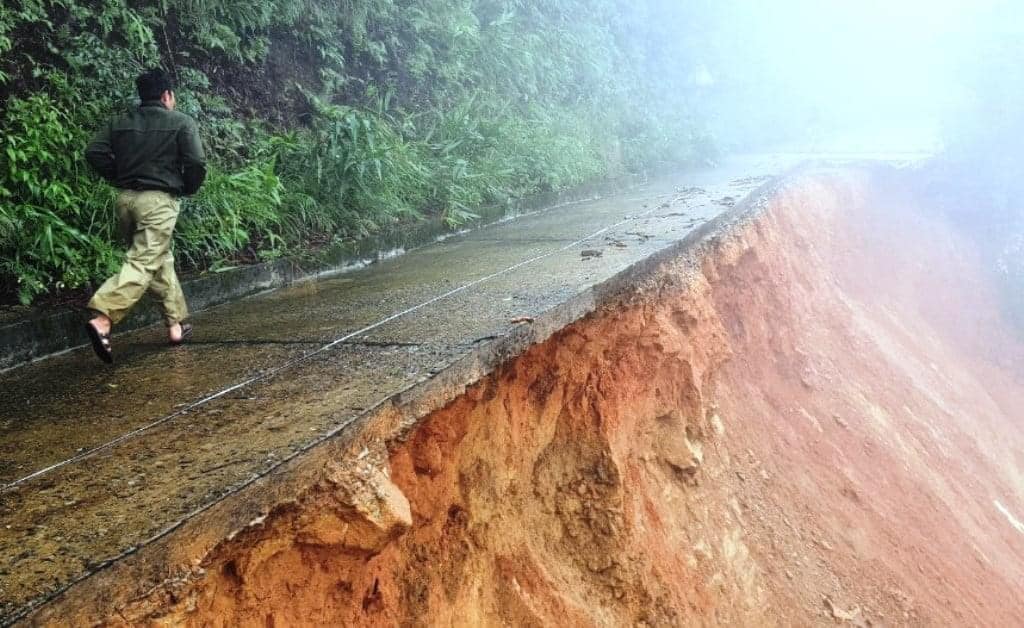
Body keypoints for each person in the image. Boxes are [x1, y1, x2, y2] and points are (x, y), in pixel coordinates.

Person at [83, 68, 206, 363]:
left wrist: (118, 177)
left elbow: (94, 151)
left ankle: (176, 325)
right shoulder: (180, 122)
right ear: (167, 95)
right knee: (143, 261)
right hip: (158, 201)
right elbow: (197, 162)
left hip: (126, 200)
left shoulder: (120, 122)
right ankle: (103, 318)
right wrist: (186, 188)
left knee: (157, 258)